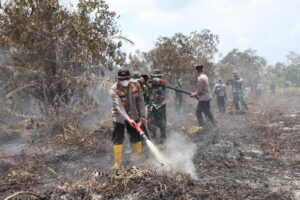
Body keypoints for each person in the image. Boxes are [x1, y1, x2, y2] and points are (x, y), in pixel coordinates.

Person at [110, 69, 146, 169]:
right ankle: (117, 163)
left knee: (135, 135)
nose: (124, 80)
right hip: (119, 116)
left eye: (126, 78)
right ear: (118, 79)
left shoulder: (136, 85)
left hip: (133, 115)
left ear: (129, 78)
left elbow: (141, 101)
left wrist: (142, 115)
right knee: (118, 137)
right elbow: (119, 106)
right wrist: (127, 119)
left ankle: (139, 158)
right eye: (122, 79)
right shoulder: (114, 89)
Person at [148, 69, 167, 144]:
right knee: (151, 123)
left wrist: (152, 78)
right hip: (152, 106)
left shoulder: (163, 82)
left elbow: (159, 81)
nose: (157, 78)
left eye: (158, 76)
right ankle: (153, 138)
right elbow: (147, 83)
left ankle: (163, 139)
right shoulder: (150, 83)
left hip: (160, 105)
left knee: (162, 123)